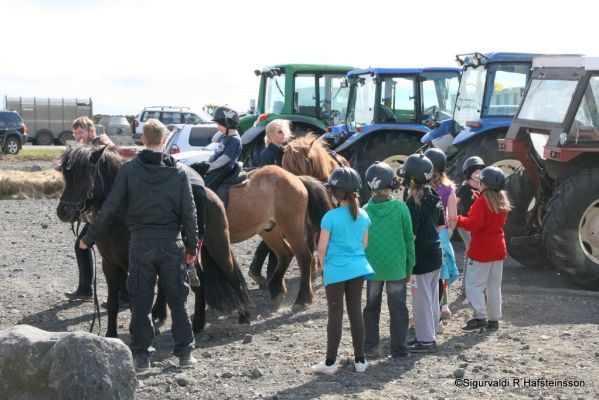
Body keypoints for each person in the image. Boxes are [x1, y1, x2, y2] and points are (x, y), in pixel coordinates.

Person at [79, 119, 199, 369]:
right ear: (164, 139)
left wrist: (88, 238)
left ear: (143, 140)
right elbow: (189, 213)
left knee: (141, 302)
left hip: (140, 245)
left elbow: (110, 207)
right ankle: (185, 354)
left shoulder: (129, 170)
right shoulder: (178, 172)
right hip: (170, 244)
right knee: (177, 301)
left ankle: (142, 356)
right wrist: (190, 247)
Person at [312, 167, 374, 375]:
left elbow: (321, 249)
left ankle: (330, 363)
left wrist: (323, 266)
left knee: (335, 315)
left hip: (336, 270)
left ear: (335, 193)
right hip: (358, 268)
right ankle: (360, 360)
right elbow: (364, 244)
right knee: (356, 312)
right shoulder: (364, 215)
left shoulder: (330, 217)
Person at [362, 162, 415, 359]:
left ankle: (371, 347)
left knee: (371, 307)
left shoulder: (365, 209)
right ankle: (399, 349)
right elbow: (409, 240)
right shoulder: (401, 209)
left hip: (373, 268)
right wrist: (410, 266)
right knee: (398, 308)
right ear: (391, 184)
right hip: (396, 267)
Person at [65, 116, 120, 301]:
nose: (78, 136)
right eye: (75, 133)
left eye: (80, 132)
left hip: (109, 209)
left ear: (91, 130)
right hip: (101, 208)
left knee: (109, 250)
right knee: (87, 246)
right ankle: (86, 289)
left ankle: (88, 289)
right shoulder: (89, 147)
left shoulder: (102, 144)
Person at [457, 166, 510, 332]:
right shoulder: (501, 200)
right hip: (498, 248)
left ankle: (480, 316)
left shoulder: (481, 202)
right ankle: (494, 320)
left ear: (485, 184)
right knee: (494, 286)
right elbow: (490, 216)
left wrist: (457, 219)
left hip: (481, 250)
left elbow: (474, 224)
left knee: (473, 285)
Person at [400, 154, 445, 353]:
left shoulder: (412, 203)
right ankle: (433, 330)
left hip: (422, 257)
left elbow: (412, 235)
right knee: (433, 295)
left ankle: (426, 340)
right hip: (436, 252)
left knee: (421, 299)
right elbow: (442, 225)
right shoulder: (434, 194)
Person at [248, 119, 291, 286]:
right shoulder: (267, 155)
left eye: (284, 131)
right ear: (270, 135)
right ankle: (261, 271)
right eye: (279, 132)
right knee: (274, 237)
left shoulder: (282, 152)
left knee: (276, 238)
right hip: (271, 204)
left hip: (280, 202)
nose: (283, 135)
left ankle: (264, 272)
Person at [424, 148, 460, 322]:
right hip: (442, 232)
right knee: (445, 270)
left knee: (429, 274)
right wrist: (449, 231)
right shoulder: (448, 189)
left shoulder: (420, 188)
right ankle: (443, 305)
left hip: (425, 232)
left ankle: (432, 308)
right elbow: (453, 216)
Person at [455, 156, 486, 290]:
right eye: (475, 172)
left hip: (478, 225)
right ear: (469, 173)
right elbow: (454, 203)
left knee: (477, 251)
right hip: (466, 224)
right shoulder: (464, 188)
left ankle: (476, 283)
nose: (478, 174)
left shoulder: (484, 188)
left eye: (480, 171)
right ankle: (465, 285)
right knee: (471, 250)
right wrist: (453, 218)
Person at [202, 106, 242, 192]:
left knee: (205, 188)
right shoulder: (225, 137)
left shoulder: (234, 140)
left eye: (219, 124)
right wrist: (207, 162)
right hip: (216, 167)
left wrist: (209, 167)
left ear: (228, 123)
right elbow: (217, 152)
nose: (217, 127)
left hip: (223, 169)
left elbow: (224, 159)